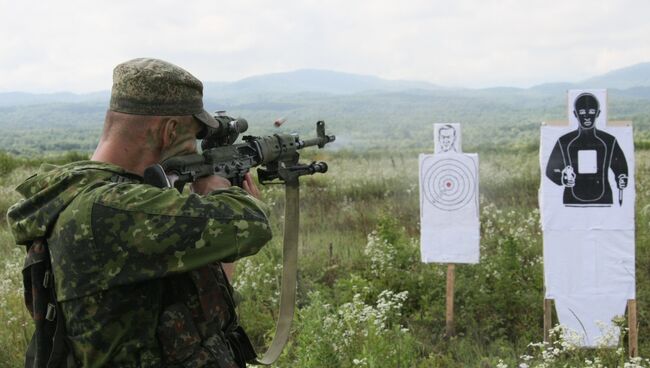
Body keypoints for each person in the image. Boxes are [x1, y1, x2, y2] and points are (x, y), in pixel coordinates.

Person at [7, 58, 273, 367]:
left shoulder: (84, 195)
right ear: (169, 131)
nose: (195, 152)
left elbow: (197, 312)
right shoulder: (112, 209)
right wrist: (220, 193)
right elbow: (251, 223)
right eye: (193, 140)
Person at [545, 92, 628, 206]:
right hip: (572, 201)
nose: (587, 117)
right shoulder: (564, 141)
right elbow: (551, 169)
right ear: (575, 114)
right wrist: (562, 178)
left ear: (598, 113)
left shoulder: (609, 141)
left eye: (592, 112)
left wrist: (622, 177)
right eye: (582, 112)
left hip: (604, 200)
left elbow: (620, 165)